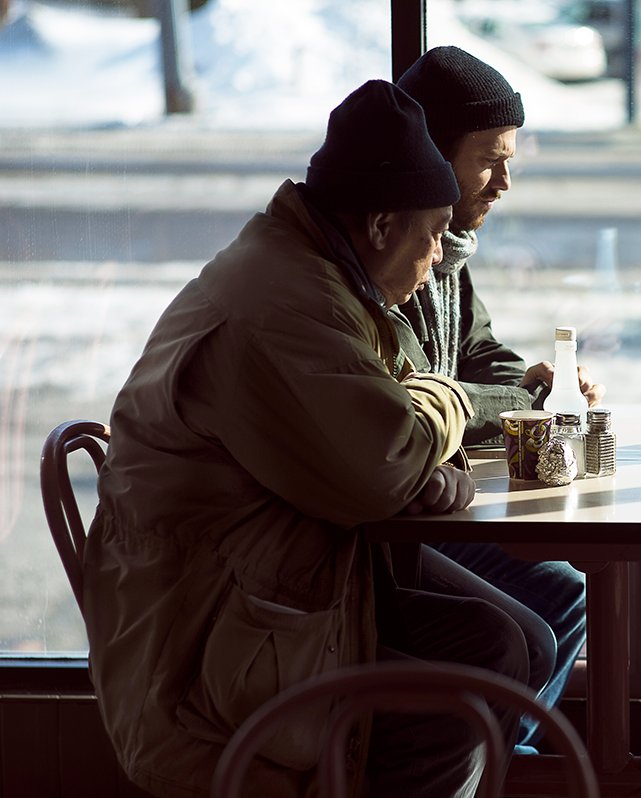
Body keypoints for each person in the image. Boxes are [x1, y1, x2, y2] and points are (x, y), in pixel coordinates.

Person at [80, 80, 531, 798]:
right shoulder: (290, 305)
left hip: (273, 581)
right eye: (433, 231)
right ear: (382, 226)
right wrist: (441, 413)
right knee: (480, 679)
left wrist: (424, 453)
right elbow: (387, 465)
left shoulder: (319, 275)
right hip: (206, 648)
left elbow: (396, 445)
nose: (438, 255)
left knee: (512, 642)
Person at [395, 45, 596, 753]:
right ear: (428, 155)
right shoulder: (399, 252)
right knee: (552, 600)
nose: (505, 181)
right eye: (489, 158)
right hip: (381, 524)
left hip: (418, 498)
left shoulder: (447, 248)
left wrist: (536, 384)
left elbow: (475, 353)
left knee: (565, 591)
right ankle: (501, 760)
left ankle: (503, 754)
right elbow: (416, 402)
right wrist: (514, 395)